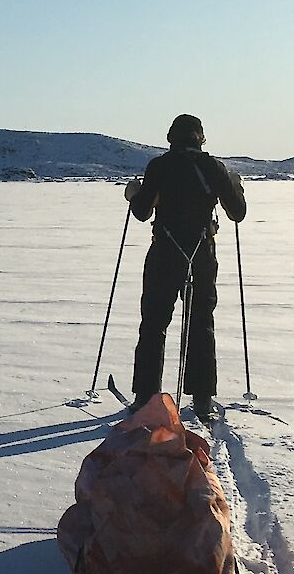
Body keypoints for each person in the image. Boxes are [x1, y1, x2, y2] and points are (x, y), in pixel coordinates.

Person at [123, 114, 246, 420]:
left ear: (171, 138)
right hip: (202, 253)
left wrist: (133, 194)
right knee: (201, 321)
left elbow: (140, 212)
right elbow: (238, 213)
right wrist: (236, 188)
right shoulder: (215, 168)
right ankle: (202, 399)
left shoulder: (159, 167)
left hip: (165, 251)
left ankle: (145, 397)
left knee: (154, 322)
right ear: (200, 138)